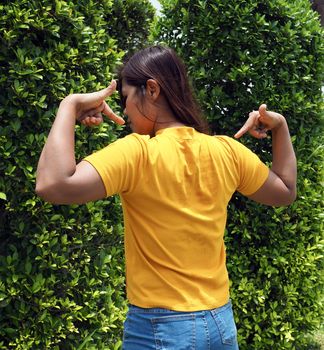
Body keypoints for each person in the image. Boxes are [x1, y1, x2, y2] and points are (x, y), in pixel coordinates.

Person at [36, 45, 297, 349]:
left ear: (151, 89)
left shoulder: (137, 152)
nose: (124, 111)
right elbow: (285, 191)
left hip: (161, 330)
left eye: (125, 98)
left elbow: (52, 184)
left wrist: (69, 106)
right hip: (220, 326)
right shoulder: (227, 151)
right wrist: (281, 128)